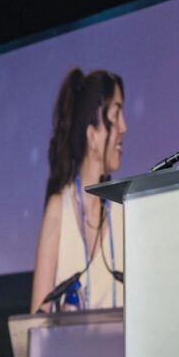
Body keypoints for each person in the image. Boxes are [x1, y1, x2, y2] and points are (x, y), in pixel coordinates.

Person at [30, 68, 127, 314]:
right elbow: (37, 324)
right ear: (92, 136)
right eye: (116, 115)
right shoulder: (58, 209)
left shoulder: (127, 209)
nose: (124, 127)